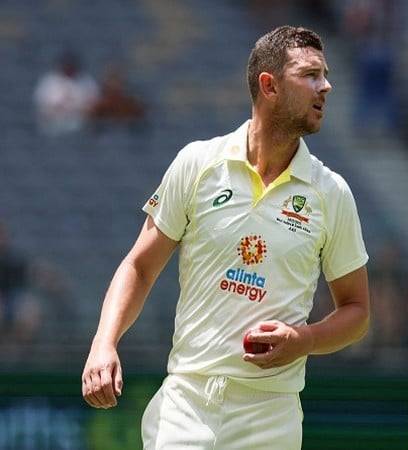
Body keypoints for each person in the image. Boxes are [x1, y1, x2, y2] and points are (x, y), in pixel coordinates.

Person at [81, 26, 370, 449]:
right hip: (186, 406)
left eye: (325, 74)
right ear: (269, 86)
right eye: (310, 74)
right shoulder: (198, 163)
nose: (326, 85)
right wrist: (103, 343)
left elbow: (358, 310)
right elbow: (140, 267)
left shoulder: (331, 193)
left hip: (271, 414)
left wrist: (304, 340)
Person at [33, 51, 99, 135]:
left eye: (70, 65)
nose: (68, 68)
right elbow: (43, 107)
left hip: (81, 125)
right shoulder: (49, 81)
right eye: (66, 65)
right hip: (55, 126)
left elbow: (94, 103)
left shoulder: (86, 81)